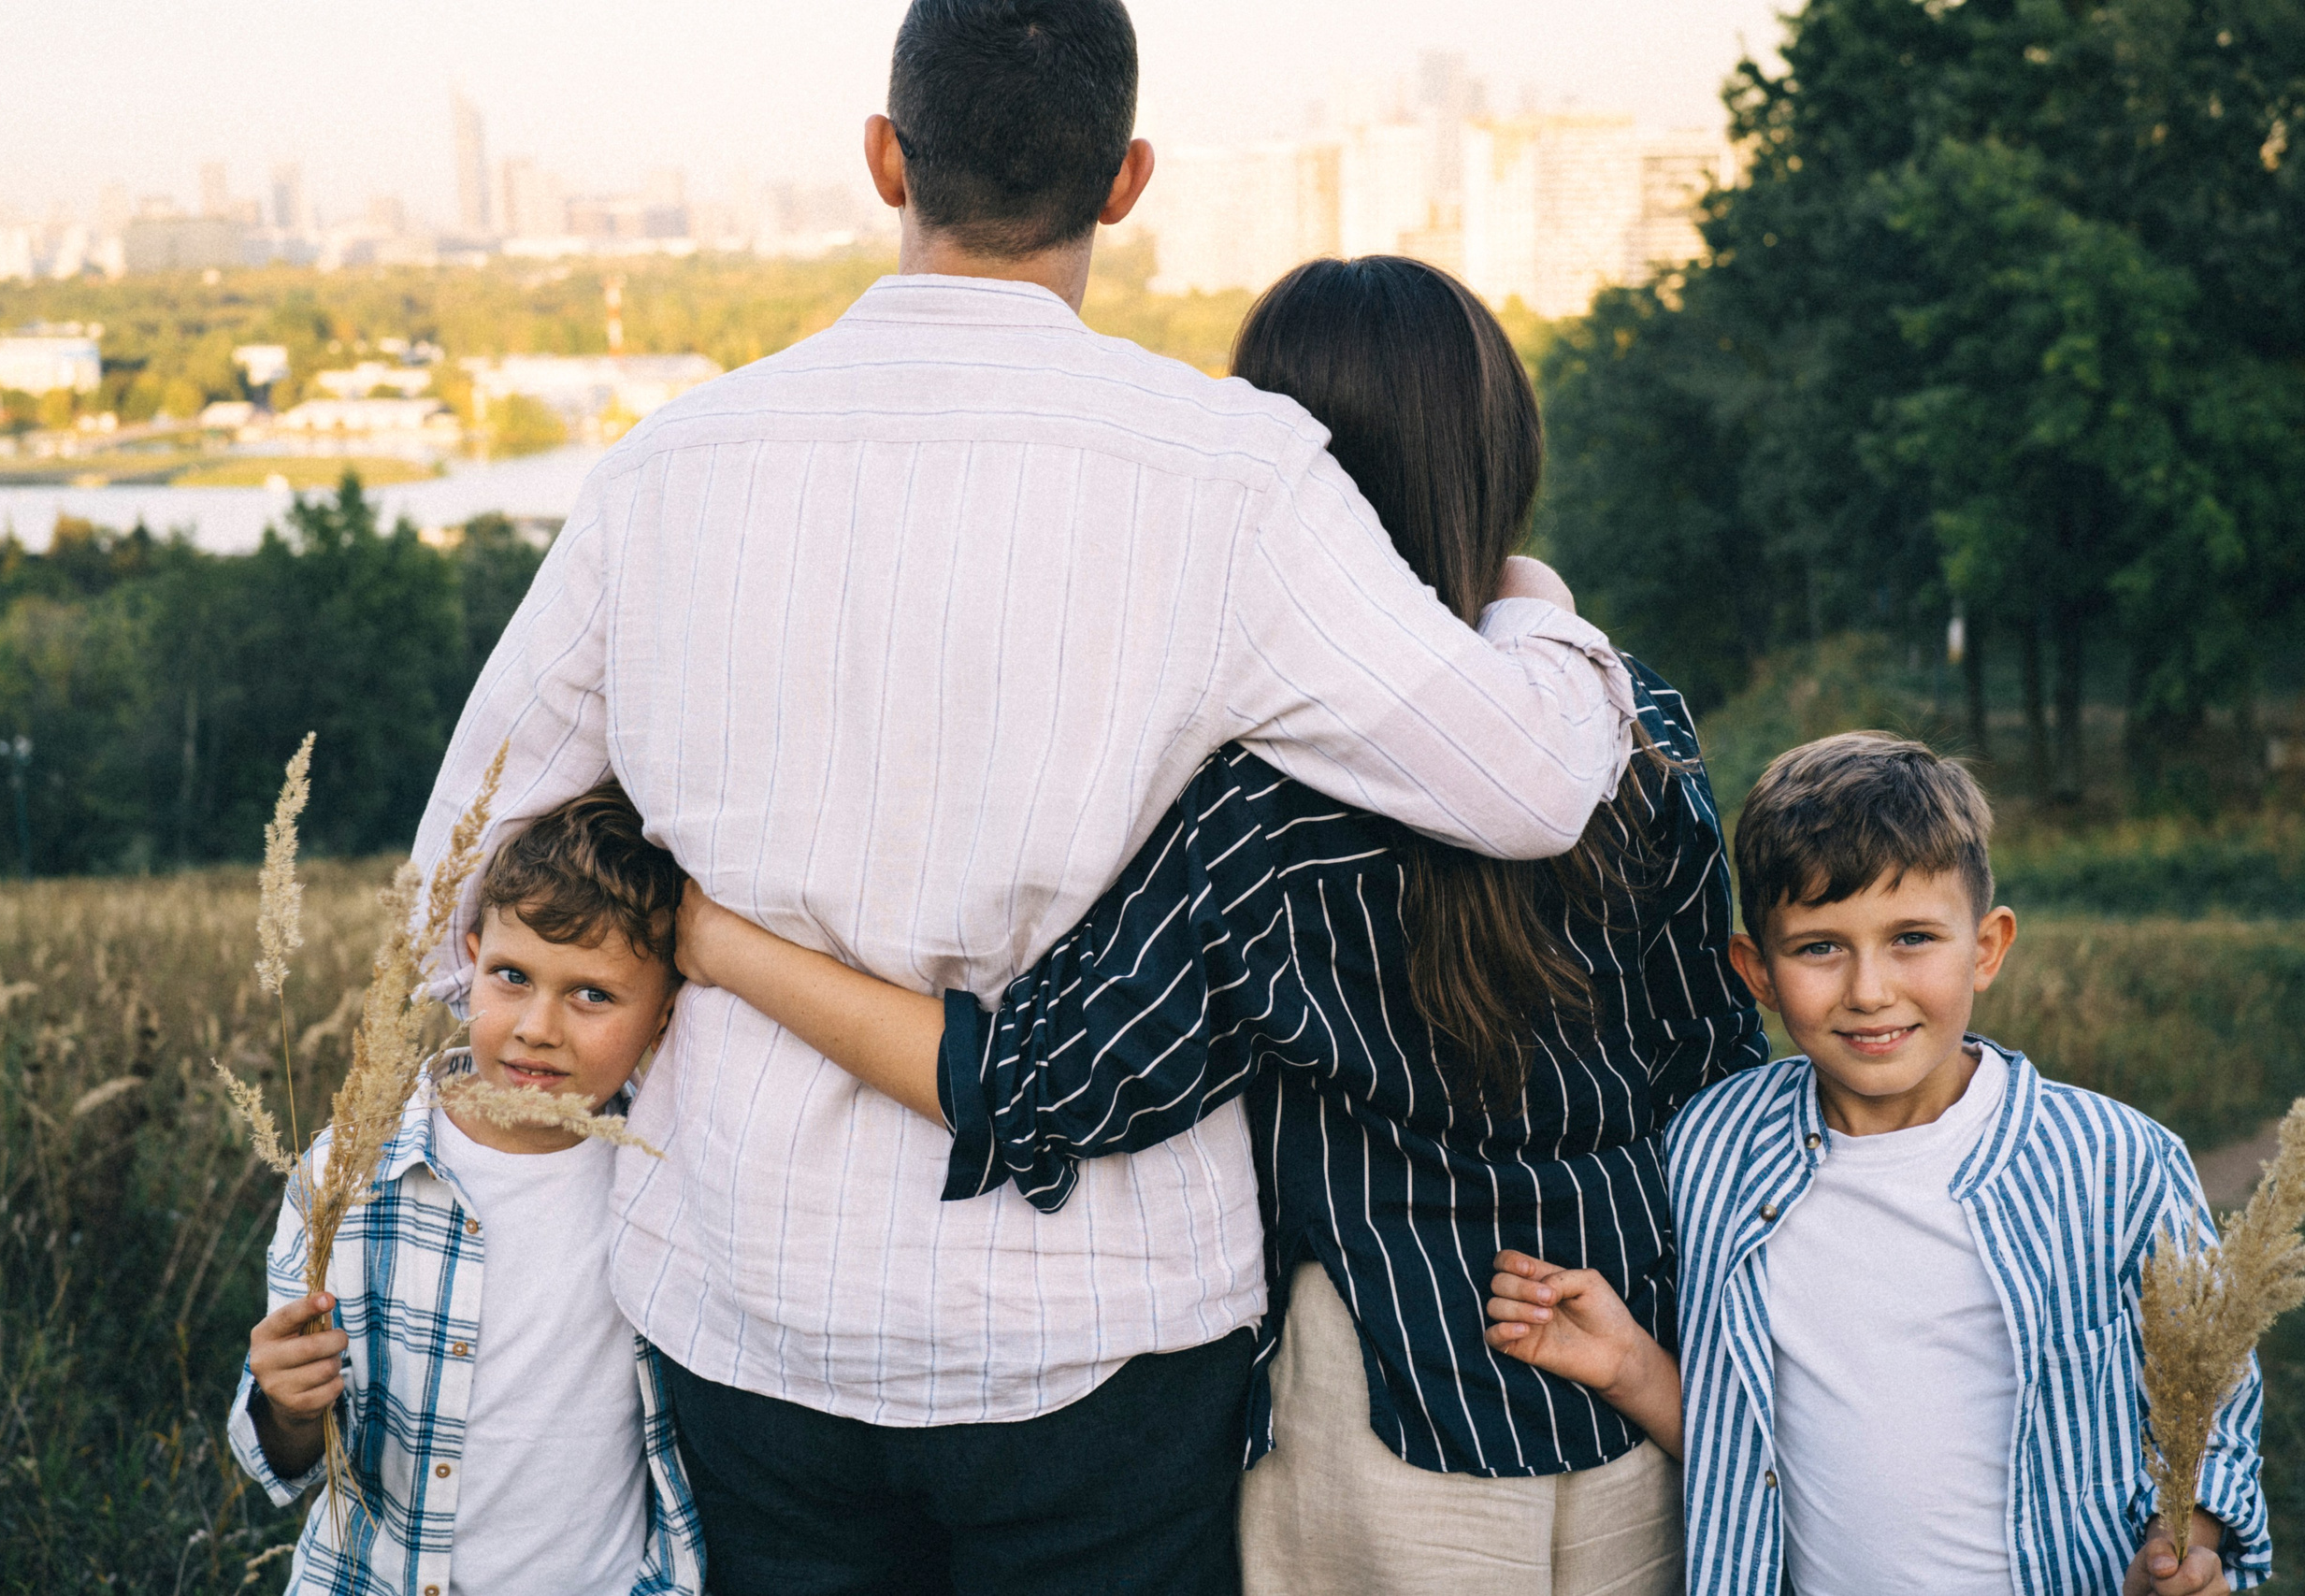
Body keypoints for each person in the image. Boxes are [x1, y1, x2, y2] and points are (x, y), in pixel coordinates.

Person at [411, 3, 1637, 1591]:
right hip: (1100, 1333)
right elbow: (1534, 783)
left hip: (744, 1295)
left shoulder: (667, 469)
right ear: (1124, 181)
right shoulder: (1236, 475)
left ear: (883, 158)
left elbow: (464, 873)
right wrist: (1534, 602)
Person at [669, 254, 1766, 1596]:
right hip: (1640, 1380)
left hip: (1384, 1412)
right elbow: (1715, 1073)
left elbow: (1031, 1086)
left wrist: (720, 941)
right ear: (1508, 450)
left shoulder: (1264, 802)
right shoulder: (1627, 721)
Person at [1482, 732, 2272, 1596]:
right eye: (1820, 946)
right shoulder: (1715, 1148)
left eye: (1912, 938)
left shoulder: (2116, 1163)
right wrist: (1632, 1366)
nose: (1868, 989)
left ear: (1987, 946)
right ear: (1758, 970)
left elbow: (2215, 1401)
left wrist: (2184, 1546)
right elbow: (1753, 1450)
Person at [228, 784, 704, 1596]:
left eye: (593, 993)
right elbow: (290, 1458)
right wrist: (287, 1406)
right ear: (471, 956)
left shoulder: (672, 1172)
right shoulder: (350, 1171)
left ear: (663, 1014)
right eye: (512, 975)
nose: (538, 1026)